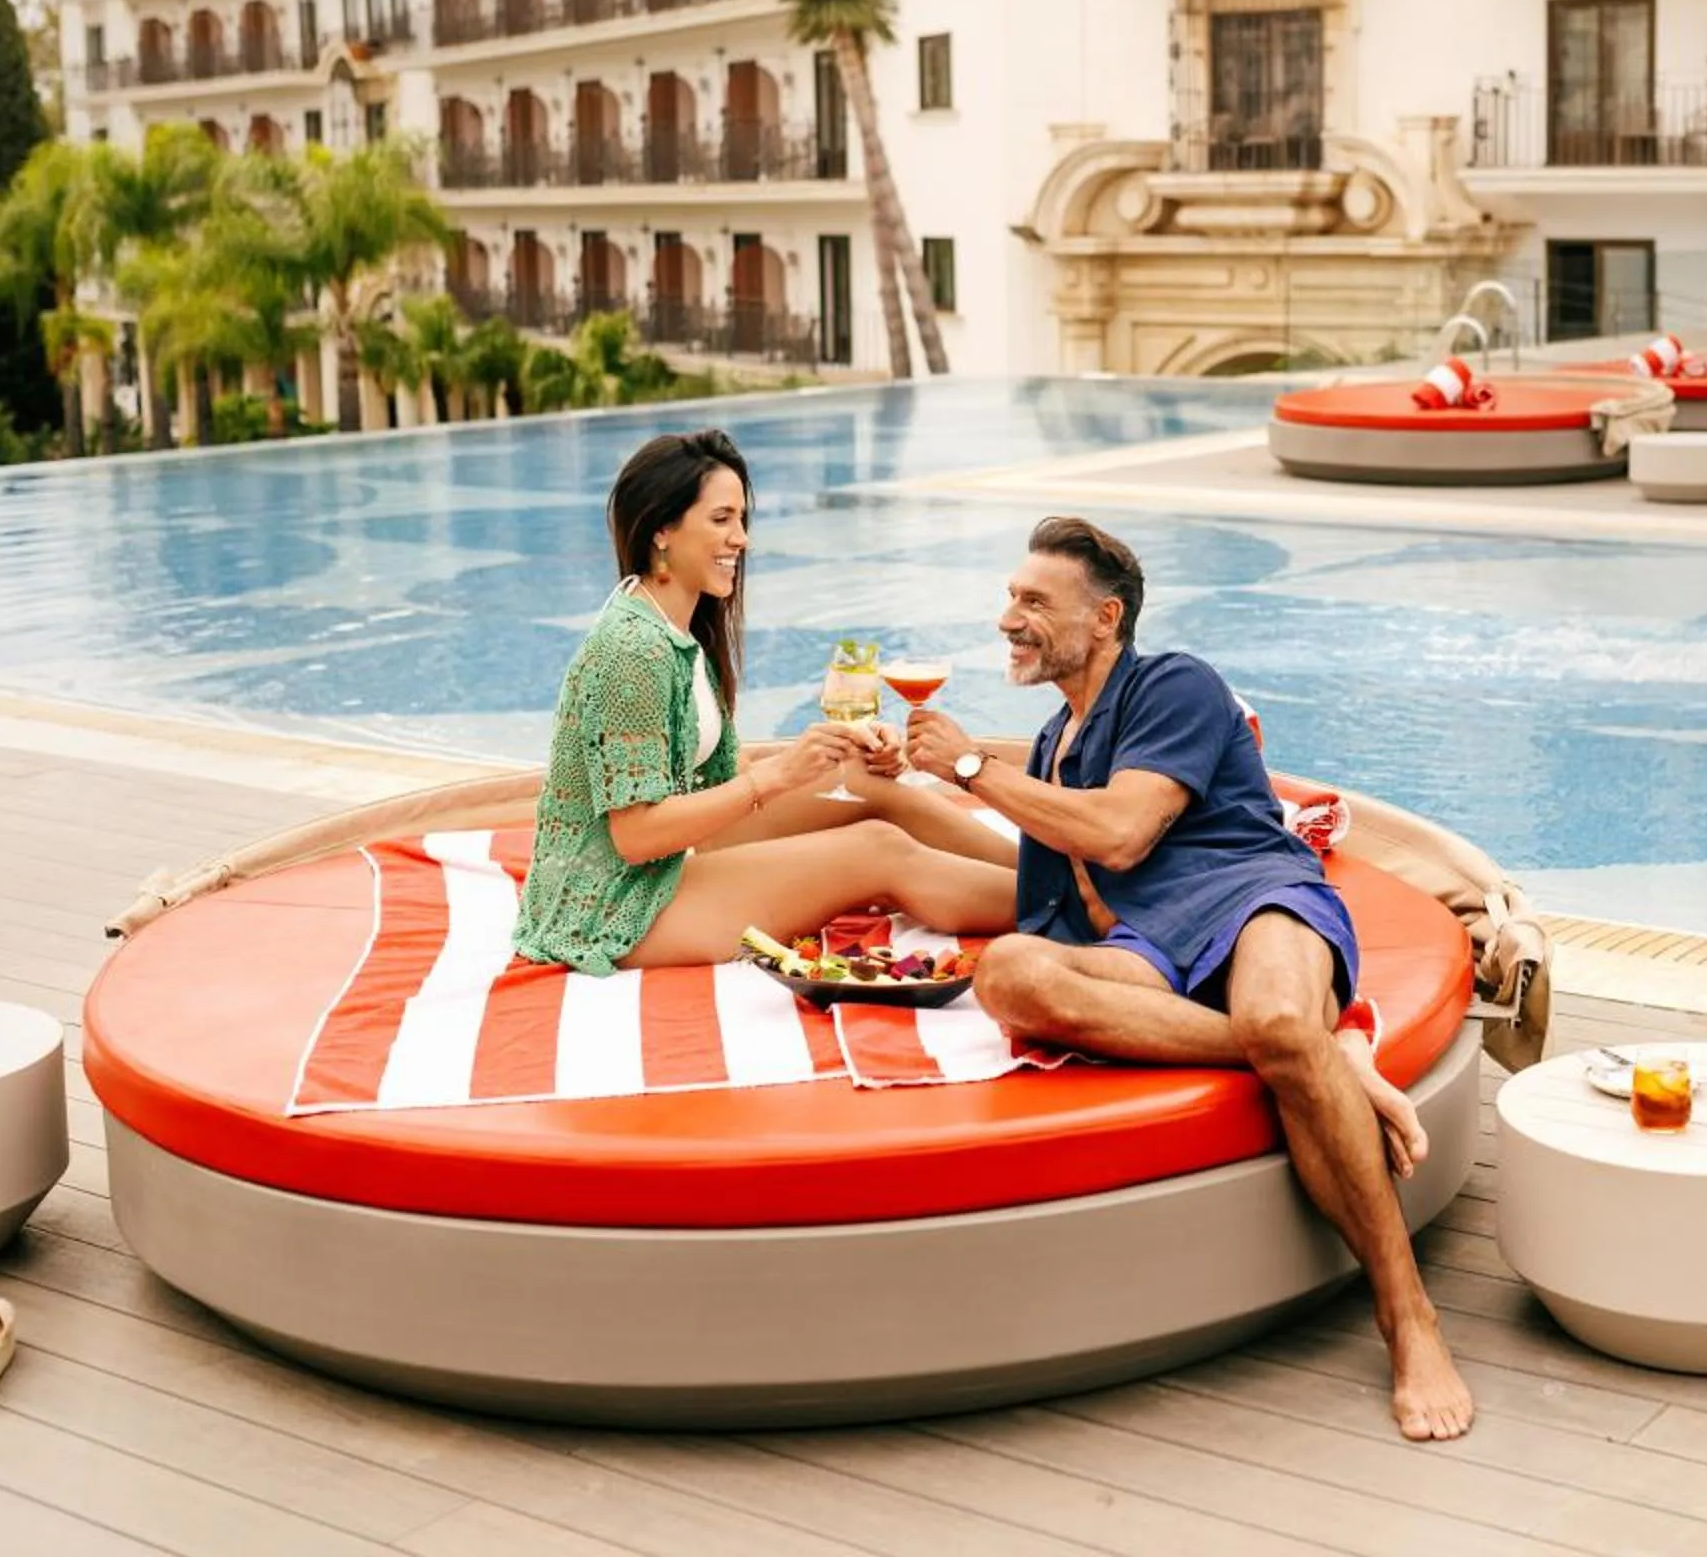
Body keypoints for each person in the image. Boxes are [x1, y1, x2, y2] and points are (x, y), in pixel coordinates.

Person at [900, 517, 1474, 1444]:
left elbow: (1124, 832)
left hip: (1254, 902)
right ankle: (1326, 1057)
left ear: (1106, 618)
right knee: (1007, 973)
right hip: (1153, 948)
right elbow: (1058, 903)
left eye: (1035, 601)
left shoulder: (1176, 684)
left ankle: (1409, 1315)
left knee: (1278, 1012)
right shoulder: (1051, 746)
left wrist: (969, 766)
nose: (1009, 617)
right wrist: (908, 806)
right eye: (1010, 597)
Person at [511, 429, 1017, 977]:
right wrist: (776, 776)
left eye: (742, 519)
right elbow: (636, 836)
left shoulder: (677, 631)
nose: (742, 539)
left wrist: (832, 753)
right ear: (662, 529)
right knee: (876, 849)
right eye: (722, 519)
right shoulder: (631, 650)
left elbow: (715, 781)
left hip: (674, 860)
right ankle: (1076, 907)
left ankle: (1062, 874)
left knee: (863, 781)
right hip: (614, 905)